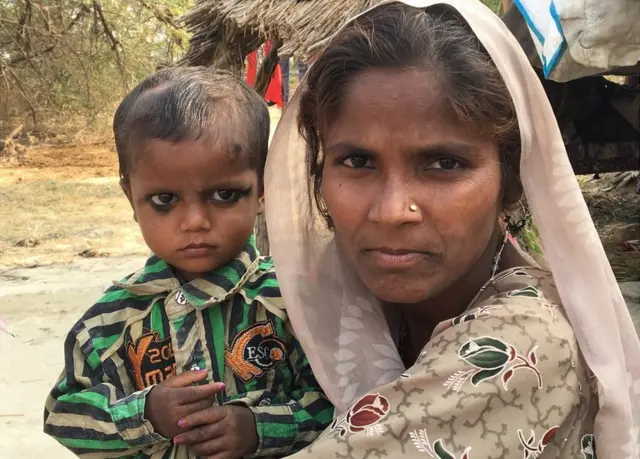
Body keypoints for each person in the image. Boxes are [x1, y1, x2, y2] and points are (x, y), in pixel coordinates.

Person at [264, 1, 640, 458]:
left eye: (444, 164)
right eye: (357, 161)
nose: (391, 211)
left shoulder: (524, 345)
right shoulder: (329, 295)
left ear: (511, 180)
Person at [43, 67, 334, 459]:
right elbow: (62, 417)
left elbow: (345, 403)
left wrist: (260, 428)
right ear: (132, 198)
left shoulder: (293, 302)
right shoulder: (108, 325)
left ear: (262, 189)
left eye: (225, 194)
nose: (195, 221)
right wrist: (144, 414)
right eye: (164, 200)